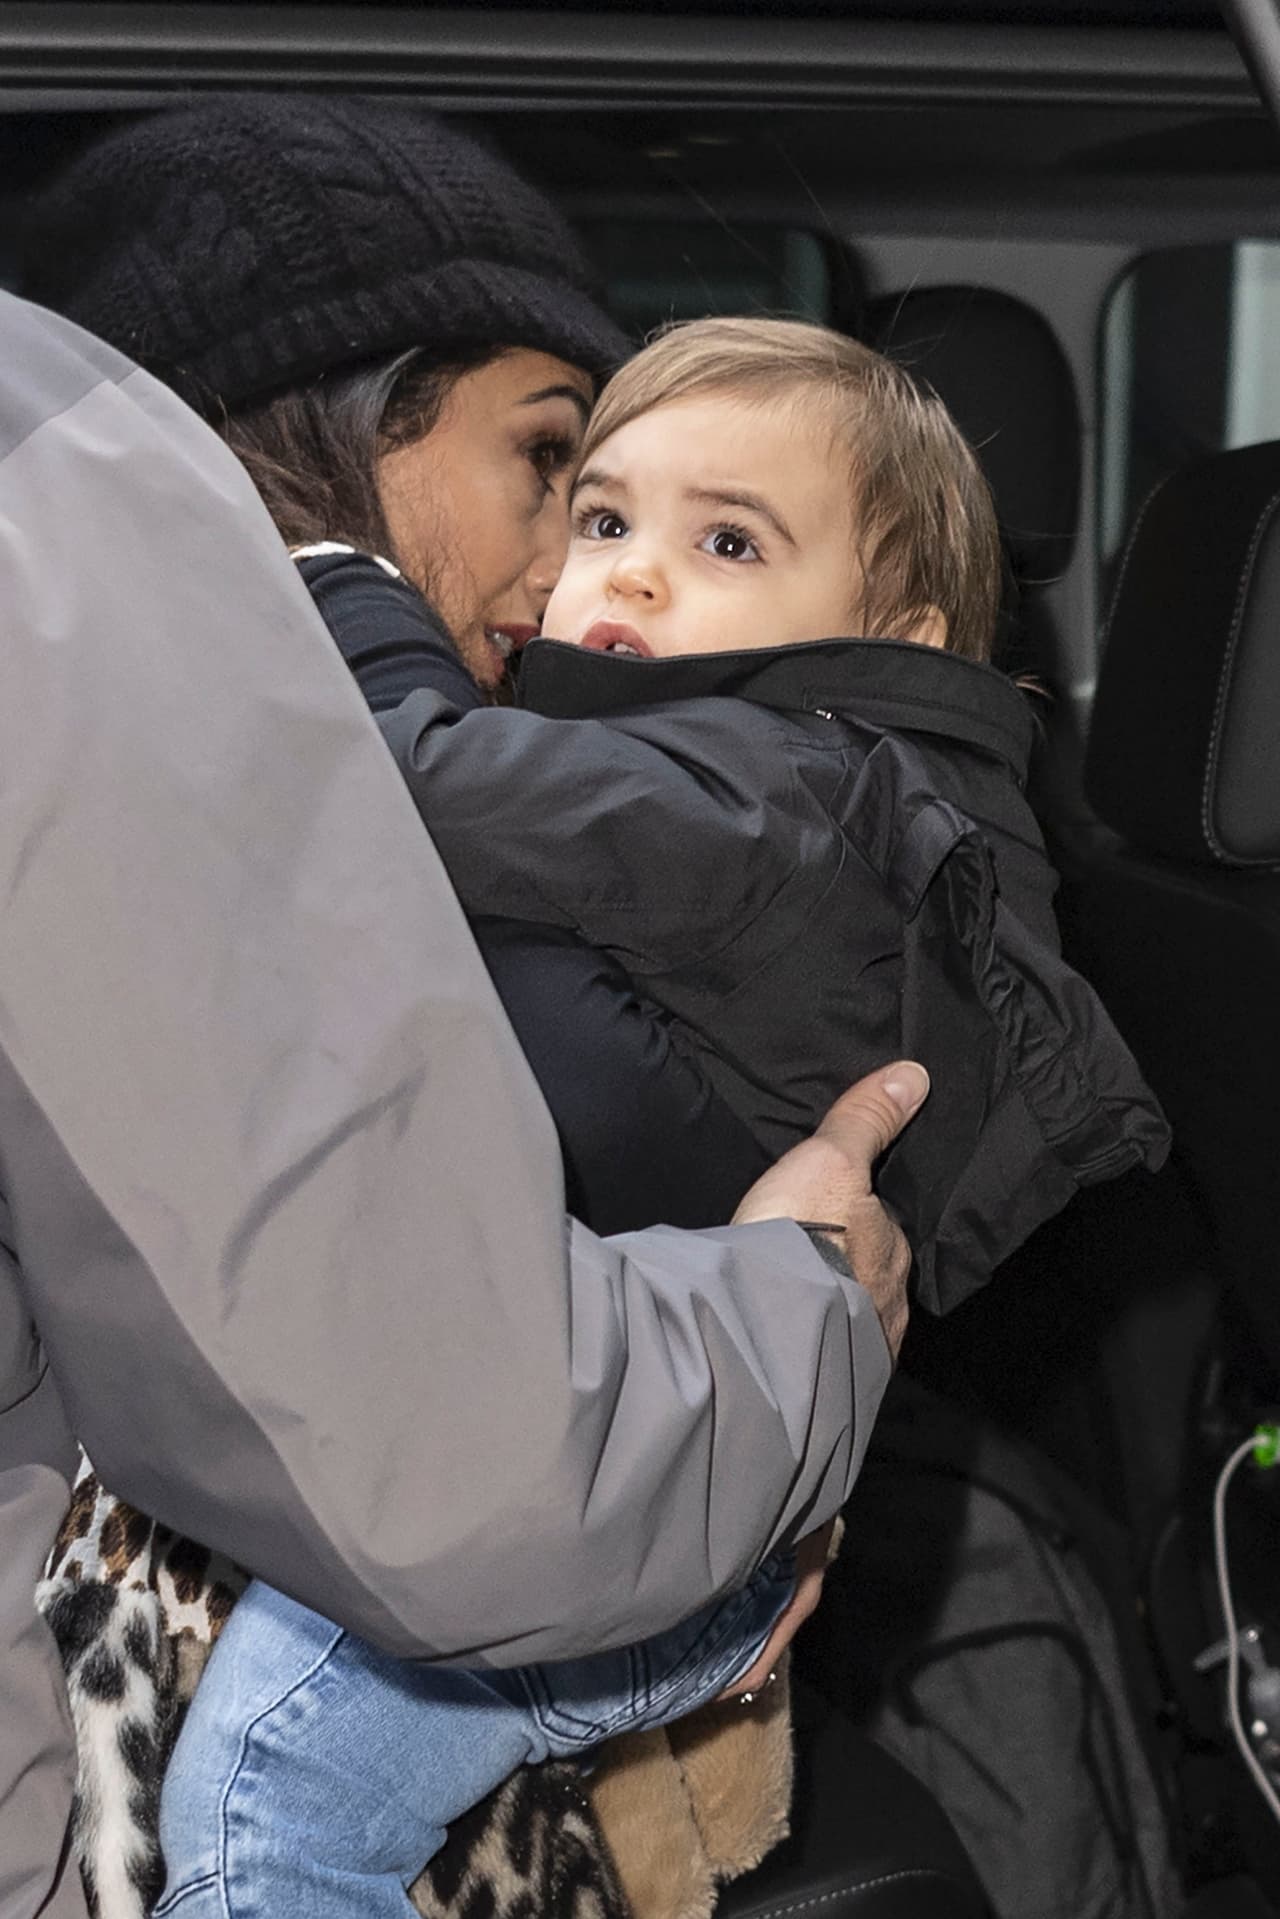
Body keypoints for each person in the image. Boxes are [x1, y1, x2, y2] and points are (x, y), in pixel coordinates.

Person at [7, 108, 918, 1917]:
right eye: (553, 471)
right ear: (335, 411)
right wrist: (815, 1315)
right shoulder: (112, 613)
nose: (571, 577)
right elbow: (464, 1462)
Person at [149, 316, 1169, 1915]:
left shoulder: (766, 791)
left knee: (262, 1812)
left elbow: (414, 778)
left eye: (727, 541)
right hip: (661, 1476)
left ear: (890, 632)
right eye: (604, 518)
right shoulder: (740, 784)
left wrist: (345, 579)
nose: (623, 573)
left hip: (628, 1496)